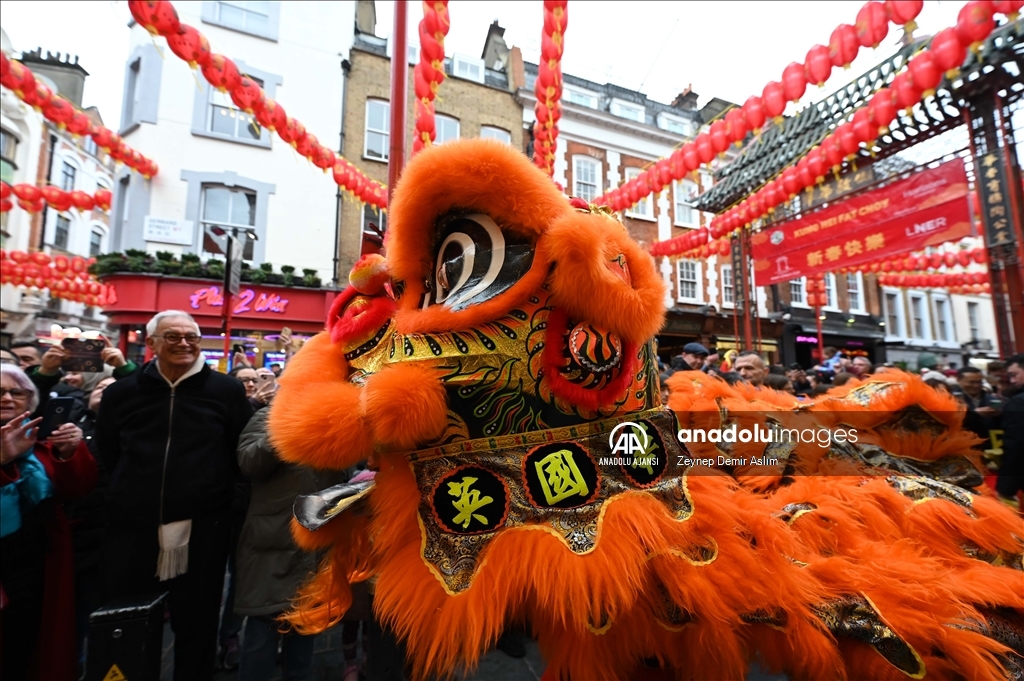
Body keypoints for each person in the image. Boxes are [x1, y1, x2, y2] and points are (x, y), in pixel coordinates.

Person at [96, 310, 253, 681]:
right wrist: (121, 495)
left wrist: (225, 505)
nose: (184, 343)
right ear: (150, 344)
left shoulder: (225, 391)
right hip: (132, 528)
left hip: (203, 529)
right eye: (172, 337)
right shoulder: (122, 393)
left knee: (197, 623)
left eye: (191, 336)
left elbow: (240, 454)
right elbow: (107, 453)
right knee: (129, 618)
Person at [234, 408, 348, 681]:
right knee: (263, 627)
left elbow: (340, 474)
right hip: (272, 541)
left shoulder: (333, 419)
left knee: (305, 625)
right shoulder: (270, 415)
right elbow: (249, 461)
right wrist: (289, 424)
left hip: (314, 541)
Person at [1, 363, 97, 681]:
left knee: (32, 645)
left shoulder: (39, 437)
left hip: (37, 562)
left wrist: (70, 452)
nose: (8, 398)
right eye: (0, 392)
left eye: (18, 392)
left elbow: (77, 488)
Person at [995, 354, 1024, 506]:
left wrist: (1006, 488)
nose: (1012, 381)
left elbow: (1016, 447)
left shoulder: (1018, 403)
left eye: (1014, 375)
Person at [952, 366, 1000, 446]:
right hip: (962, 443)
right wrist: (974, 414)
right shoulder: (950, 398)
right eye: (971, 382)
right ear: (958, 380)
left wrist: (999, 412)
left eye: (979, 382)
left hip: (987, 443)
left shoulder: (992, 398)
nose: (976, 385)